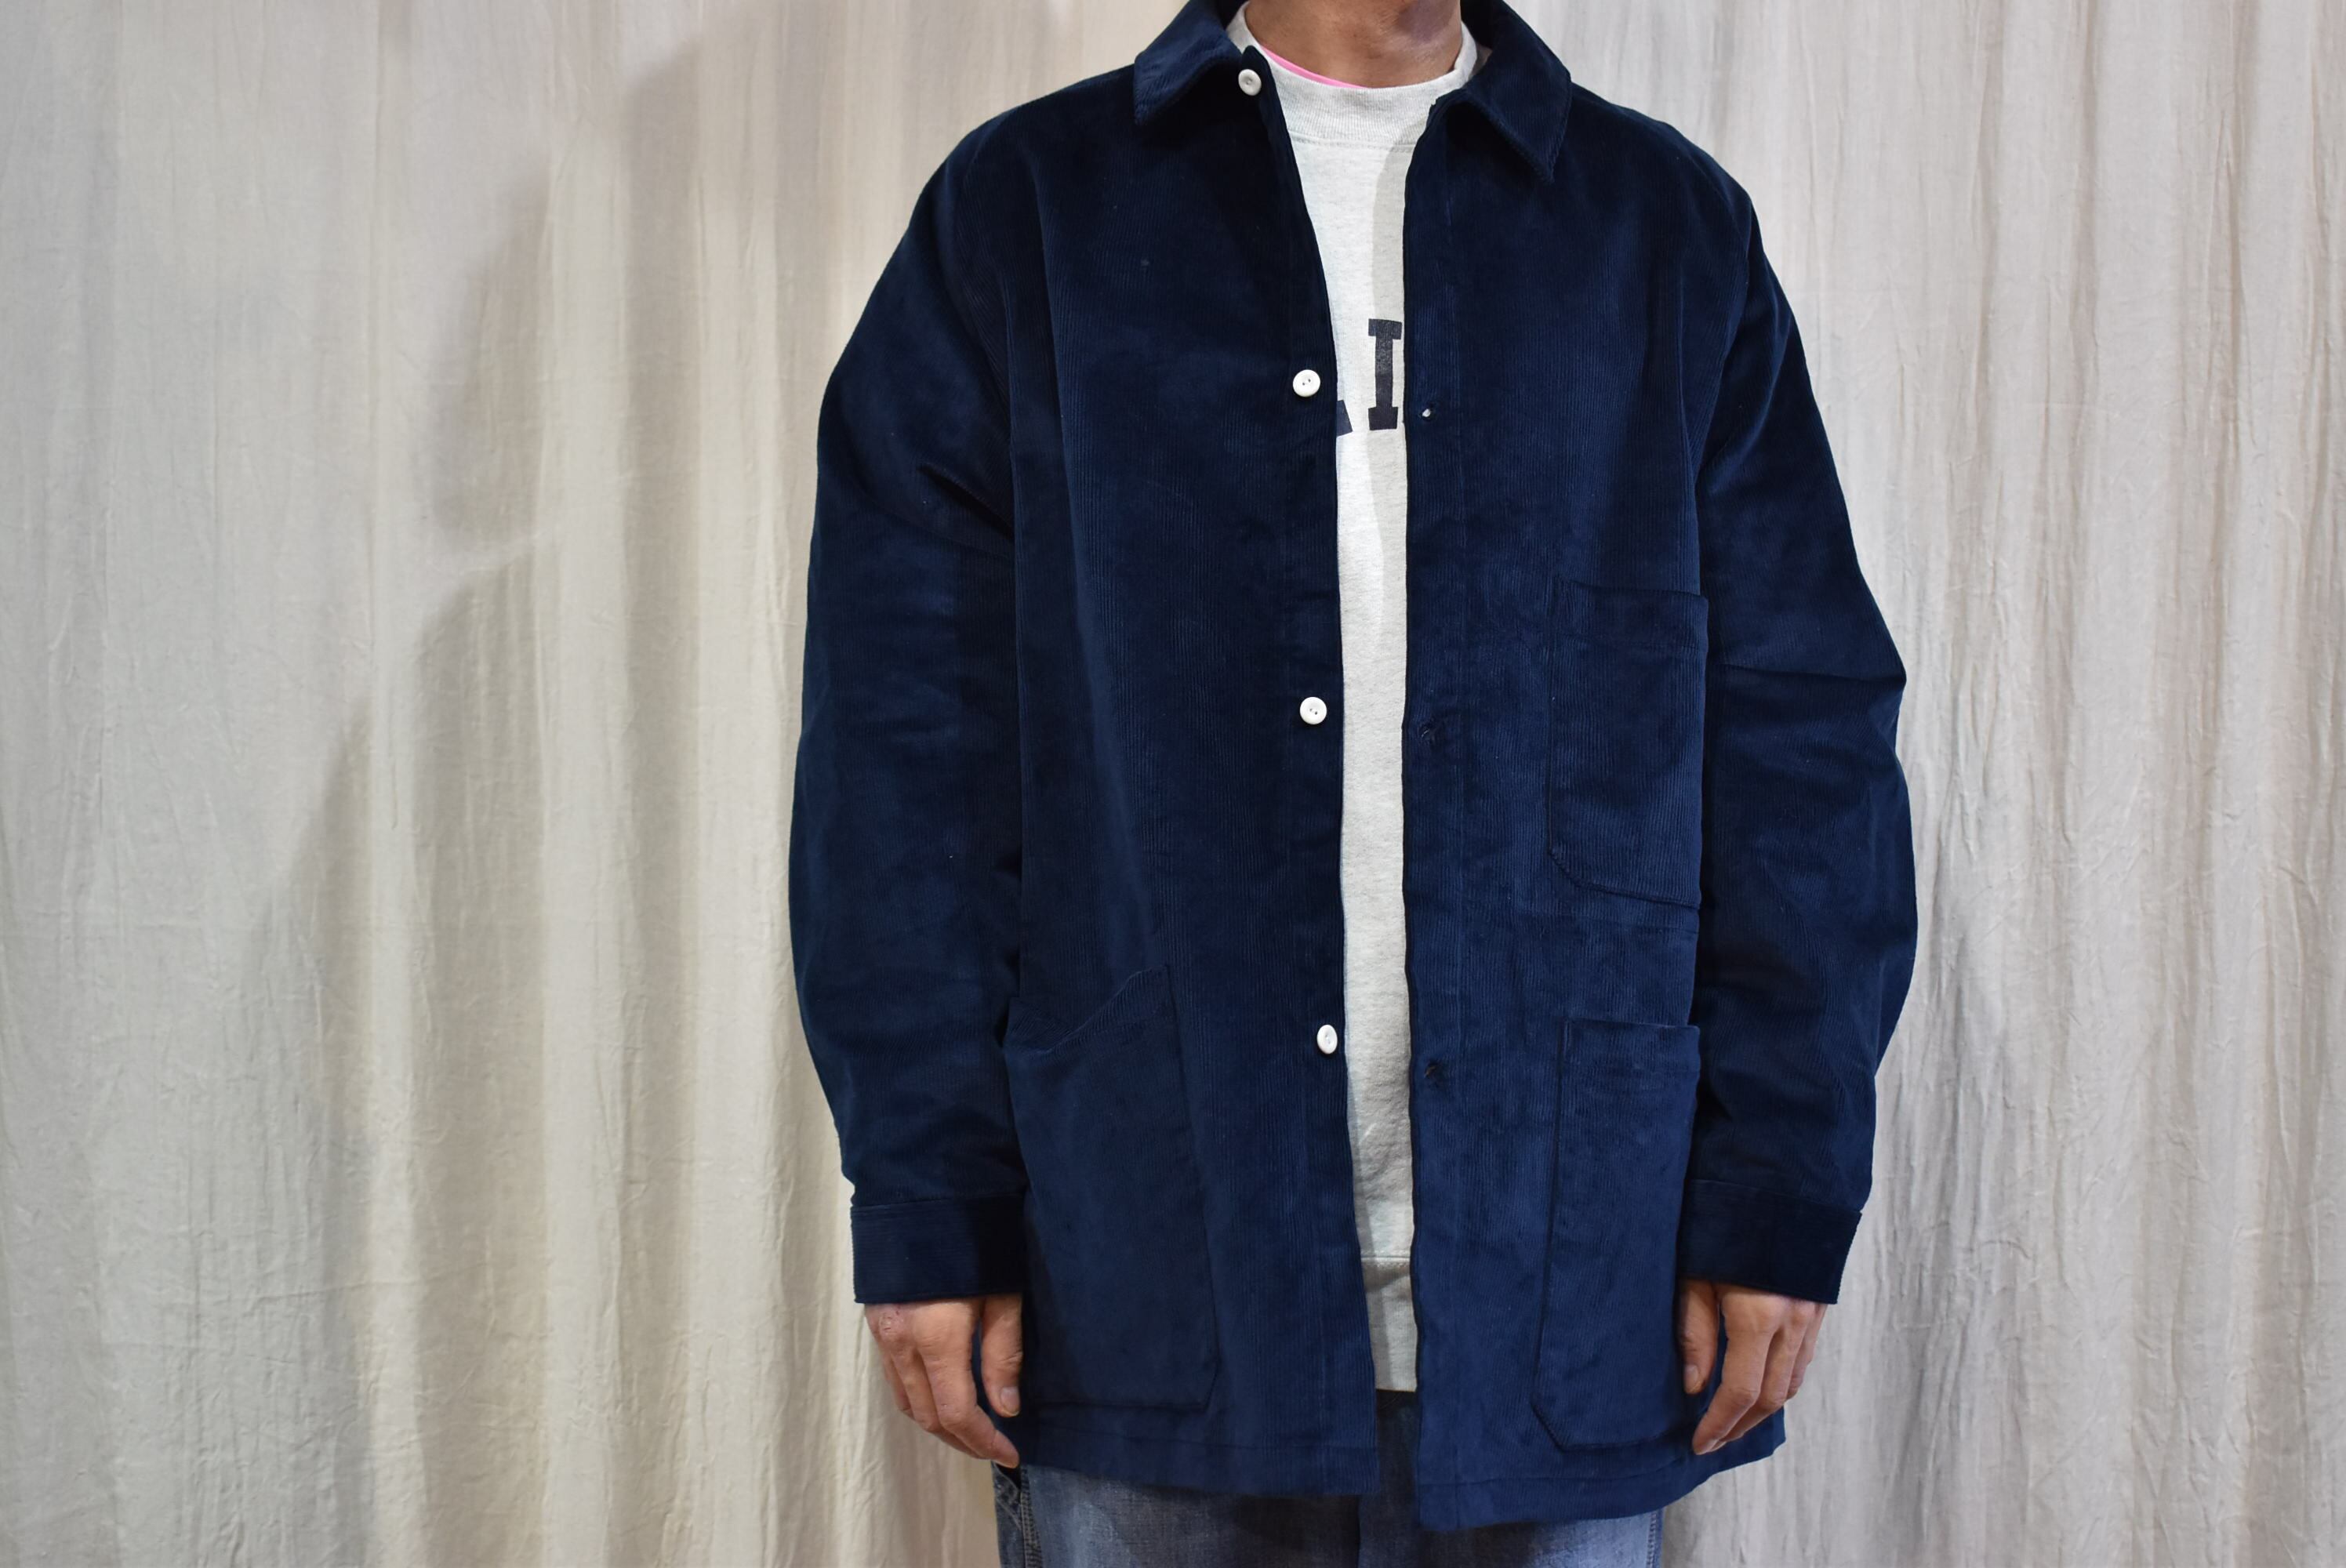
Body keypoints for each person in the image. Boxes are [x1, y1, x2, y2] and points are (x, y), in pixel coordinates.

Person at [787, 0, 1918, 1560]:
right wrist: (929, 1194)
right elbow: (906, 745)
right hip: (1146, 1271)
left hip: (1571, 1277)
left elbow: (1798, 738)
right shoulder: (1029, 212)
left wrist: (1778, 1179)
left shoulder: (1660, 230)